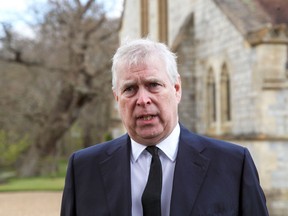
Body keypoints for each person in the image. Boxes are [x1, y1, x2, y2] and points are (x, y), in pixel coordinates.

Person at [61, 38, 269, 216]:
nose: (143, 99)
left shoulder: (233, 165)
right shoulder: (83, 170)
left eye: (153, 85)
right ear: (117, 98)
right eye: (130, 89)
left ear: (176, 89)